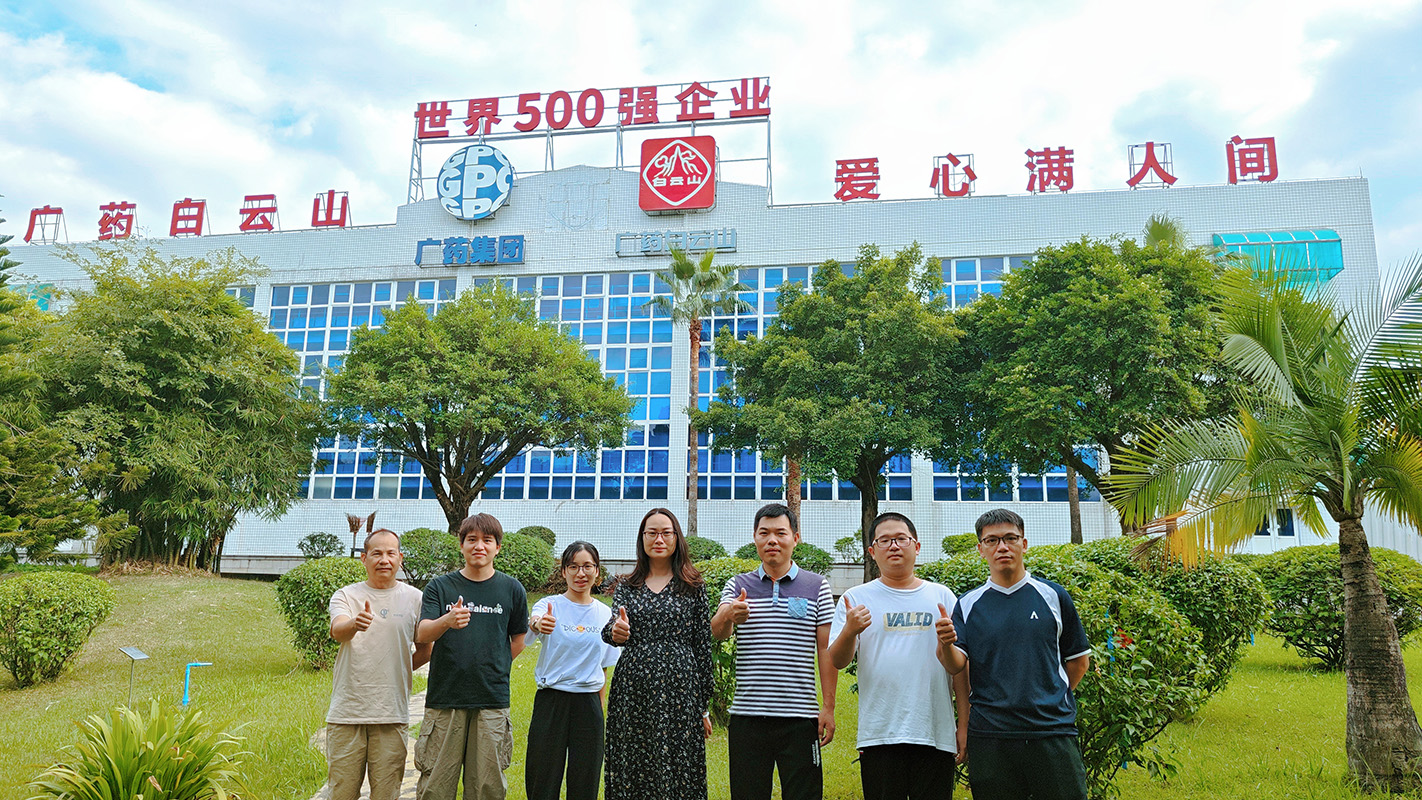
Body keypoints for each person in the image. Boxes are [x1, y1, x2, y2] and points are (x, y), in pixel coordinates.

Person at [951, 508, 1091, 800]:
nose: (1002, 547)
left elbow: (1078, 661)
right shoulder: (968, 604)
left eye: (1010, 538)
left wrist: (1050, 696)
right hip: (991, 736)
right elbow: (958, 667)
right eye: (992, 540)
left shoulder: (1053, 596)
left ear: (1024, 544)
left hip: (1052, 733)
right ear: (981, 549)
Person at [829, 512, 969, 800]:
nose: (894, 546)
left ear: (916, 546)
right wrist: (849, 631)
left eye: (901, 539)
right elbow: (838, 660)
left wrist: (964, 725)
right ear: (872, 552)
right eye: (885, 540)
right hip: (880, 733)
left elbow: (960, 668)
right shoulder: (855, 598)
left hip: (935, 732)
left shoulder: (942, 596)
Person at [711, 503, 837, 800]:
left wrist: (828, 708)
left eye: (780, 533)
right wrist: (729, 613)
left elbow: (825, 648)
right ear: (754, 538)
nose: (772, 540)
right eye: (764, 533)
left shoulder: (817, 586)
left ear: (795, 538)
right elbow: (717, 631)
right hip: (748, 717)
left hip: (801, 717)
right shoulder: (738, 584)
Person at [413, 513, 530, 800]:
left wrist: (496, 665)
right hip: (446, 698)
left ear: (497, 547)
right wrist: (447, 621)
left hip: (491, 700)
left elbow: (519, 639)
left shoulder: (512, 589)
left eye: (487, 540)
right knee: (435, 787)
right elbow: (423, 633)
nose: (479, 546)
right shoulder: (440, 587)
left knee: (486, 788)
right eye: (472, 539)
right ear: (461, 545)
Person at [600, 507, 714, 800]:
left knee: (679, 761)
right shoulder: (627, 586)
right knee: (634, 760)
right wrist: (615, 631)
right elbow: (612, 627)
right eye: (651, 533)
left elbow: (703, 646)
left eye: (666, 533)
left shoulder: (693, 586)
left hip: (681, 689)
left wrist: (703, 705)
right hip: (633, 689)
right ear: (642, 538)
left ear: (677, 538)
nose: (659, 539)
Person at [325, 528, 432, 800]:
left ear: (400, 558)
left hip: (391, 713)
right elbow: (338, 630)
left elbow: (425, 650)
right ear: (364, 558)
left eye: (390, 553)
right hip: (348, 713)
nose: (384, 560)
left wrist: (396, 668)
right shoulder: (346, 595)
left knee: (387, 793)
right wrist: (354, 623)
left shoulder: (415, 598)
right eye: (376, 553)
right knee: (341, 793)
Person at [524, 541, 620, 800]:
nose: (581, 573)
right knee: (542, 777)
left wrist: (598, 707)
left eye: (587, 566)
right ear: (563, 571)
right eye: (573, 567)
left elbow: (603, 667)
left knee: (585, 780)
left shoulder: (605, 614)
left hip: (588, 704)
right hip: (551, 700)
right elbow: (535, 622)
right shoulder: (549, 605)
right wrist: (538, 624)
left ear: (597, 571)